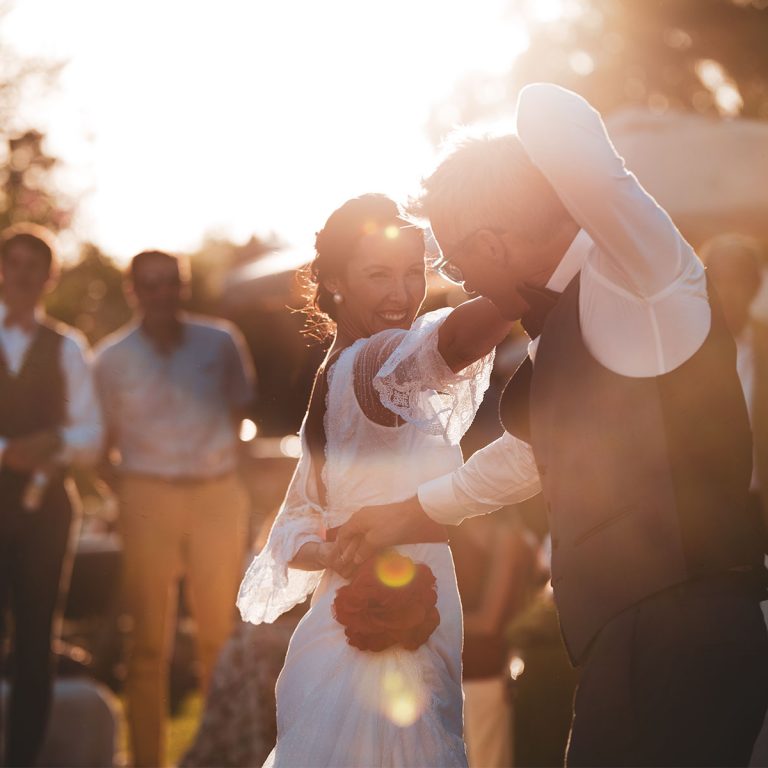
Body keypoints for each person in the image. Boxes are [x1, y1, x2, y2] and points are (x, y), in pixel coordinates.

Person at [335, 84, 768, 766]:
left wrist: (497, 160)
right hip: (628, 634)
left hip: (685, 626)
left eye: (455, 262)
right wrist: (410, 511)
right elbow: (530, 457)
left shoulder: (641, 276)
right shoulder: (561, 318)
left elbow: (551, 114)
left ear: (492, 243)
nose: (460, 281)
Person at [236, 193, 512, 767]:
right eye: (379, 275)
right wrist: (529, 280)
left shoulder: (331, 374)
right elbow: (456, 342)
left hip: (347, 620)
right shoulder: (372, 363)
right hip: (381, 640)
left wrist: (334, 552)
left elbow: (291, 527)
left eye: (414, 272)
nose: (402, 294)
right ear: (335, 282)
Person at [93, 250, 256, 768]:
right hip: (147, 496)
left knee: (218, 635)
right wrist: (130, 495)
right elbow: (100, 445)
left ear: (183, 286)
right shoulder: (110, 358)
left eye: (170, 282)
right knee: (146, 642)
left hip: (216, 494)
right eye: (150, 284)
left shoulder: (221, 341)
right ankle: (146, 761)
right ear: (133, 291)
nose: (161, 292)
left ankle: (219, 755)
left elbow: (241, 417)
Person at [0, 224, 103, 767]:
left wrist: (56, 442)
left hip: (46, 513)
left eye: (33, 267)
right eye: (12, 263)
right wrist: (7, 451)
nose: (21, 276)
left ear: (49, 277)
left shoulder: (67, 346)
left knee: (35, 642)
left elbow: (91, 433)